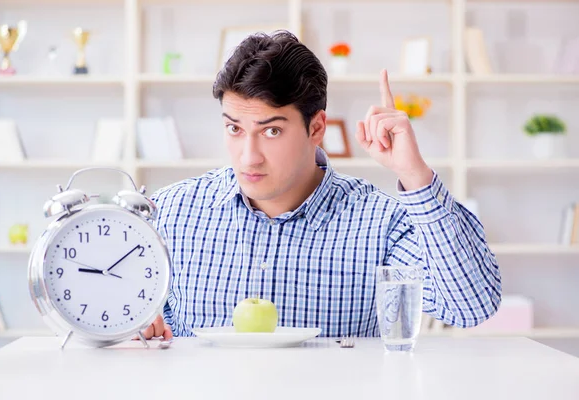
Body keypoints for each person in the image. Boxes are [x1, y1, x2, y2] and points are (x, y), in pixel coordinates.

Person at [141, 31, 501, 340]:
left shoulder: (379, 222)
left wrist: (415, 174)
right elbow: (130, 323)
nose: (248, 157)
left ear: (316, 128)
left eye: (271, 131)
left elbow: (469, 307)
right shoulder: (171, 213)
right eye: (235, 129)